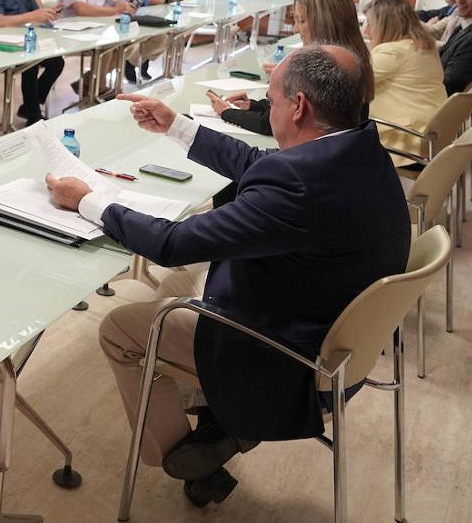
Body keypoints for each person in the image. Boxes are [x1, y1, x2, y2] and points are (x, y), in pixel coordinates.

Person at [44, 46, 409, 508]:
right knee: (174, 283)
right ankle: (216, 412)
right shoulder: (355, 148)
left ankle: (188, 454)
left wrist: (87, 201)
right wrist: (174, 124)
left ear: (299, 107)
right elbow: (261, 164)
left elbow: (172, 241)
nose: (266, 112)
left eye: (271, 102)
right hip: (329, 325)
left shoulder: (298, 186)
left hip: (287, 356)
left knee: (120, 328)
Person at [208, 0, 374, 136]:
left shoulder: (326, 70)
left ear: (323, 24)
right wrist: (253, 105)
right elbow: (290, 108)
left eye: (301, 21)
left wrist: (227, 112)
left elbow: (271, 124)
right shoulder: (355, 59)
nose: (295, 29)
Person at [363, 0, 447, 165]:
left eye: (370, 24)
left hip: (405, 140)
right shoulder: (422, 45)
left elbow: (348, 83)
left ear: (385, 26)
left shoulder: (393, 52)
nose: (366, 31)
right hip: (428, 134)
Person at [58, 0, 132, 93]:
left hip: (97, 29)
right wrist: (114, 10)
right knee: (108, 46)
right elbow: (82, 9)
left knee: (127, 45)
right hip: (72, 32)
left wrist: (124, 5)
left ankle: (88, 80)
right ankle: (99, 88)